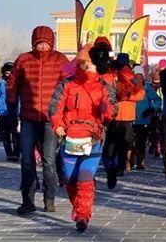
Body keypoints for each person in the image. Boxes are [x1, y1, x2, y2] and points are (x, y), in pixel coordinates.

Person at [48, 45, 117, 231]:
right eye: (85, 64)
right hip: (69, 137)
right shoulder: (67, 84)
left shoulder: (105, 88)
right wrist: (58, 124)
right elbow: (55, 106)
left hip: (92, 138)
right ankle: (78, 206)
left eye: (92, 64)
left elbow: (112, 109)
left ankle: (83, 215)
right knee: (71, 179)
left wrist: (106, 111)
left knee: (85, 177)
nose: (89, 68)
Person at [7, 26, 69, 214]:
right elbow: (12, 85)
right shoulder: (23, 60)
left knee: (49, 160)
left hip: (51, 119)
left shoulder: (61, 60)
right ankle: (28, 200)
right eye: (39, 43)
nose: (42, 47)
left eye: (46, 43)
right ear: (33, 42)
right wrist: (11, 107)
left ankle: (49, 198)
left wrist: (66, 114)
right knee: (26, 159)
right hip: (28, 118)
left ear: (52, 43)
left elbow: (71, 83)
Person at [102, 53, 144, 187]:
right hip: (112, 115)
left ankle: (120, 167)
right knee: (110, 145)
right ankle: (110, 165)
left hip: (126, 115)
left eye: (123, 63)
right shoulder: (111, 75)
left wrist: (126, 95)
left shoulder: (134, 77)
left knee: (124, 143)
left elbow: (141, 94)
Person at [131, 66, 162, 170]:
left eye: (140, 77)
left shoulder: (147, 88)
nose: (138, 79)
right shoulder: (129, 86)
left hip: (143, 119)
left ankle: (140, 163)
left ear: (143, 78)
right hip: (130, 118)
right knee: (130, 141)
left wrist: (152, 109)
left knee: (141, 142)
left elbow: (157, 100)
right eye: (136, 77)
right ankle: (129, 162)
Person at [0, 62, 20, 161]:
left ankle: (16, 154)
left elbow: (20, 99)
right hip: (2, 113)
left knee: (16, 134)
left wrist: (19, 112)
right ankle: (9, 154)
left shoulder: (17, 84)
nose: (9, 75)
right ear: (3, 73)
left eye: (11, 73)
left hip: (14, 112)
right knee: (5, 135)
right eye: (7, 73)